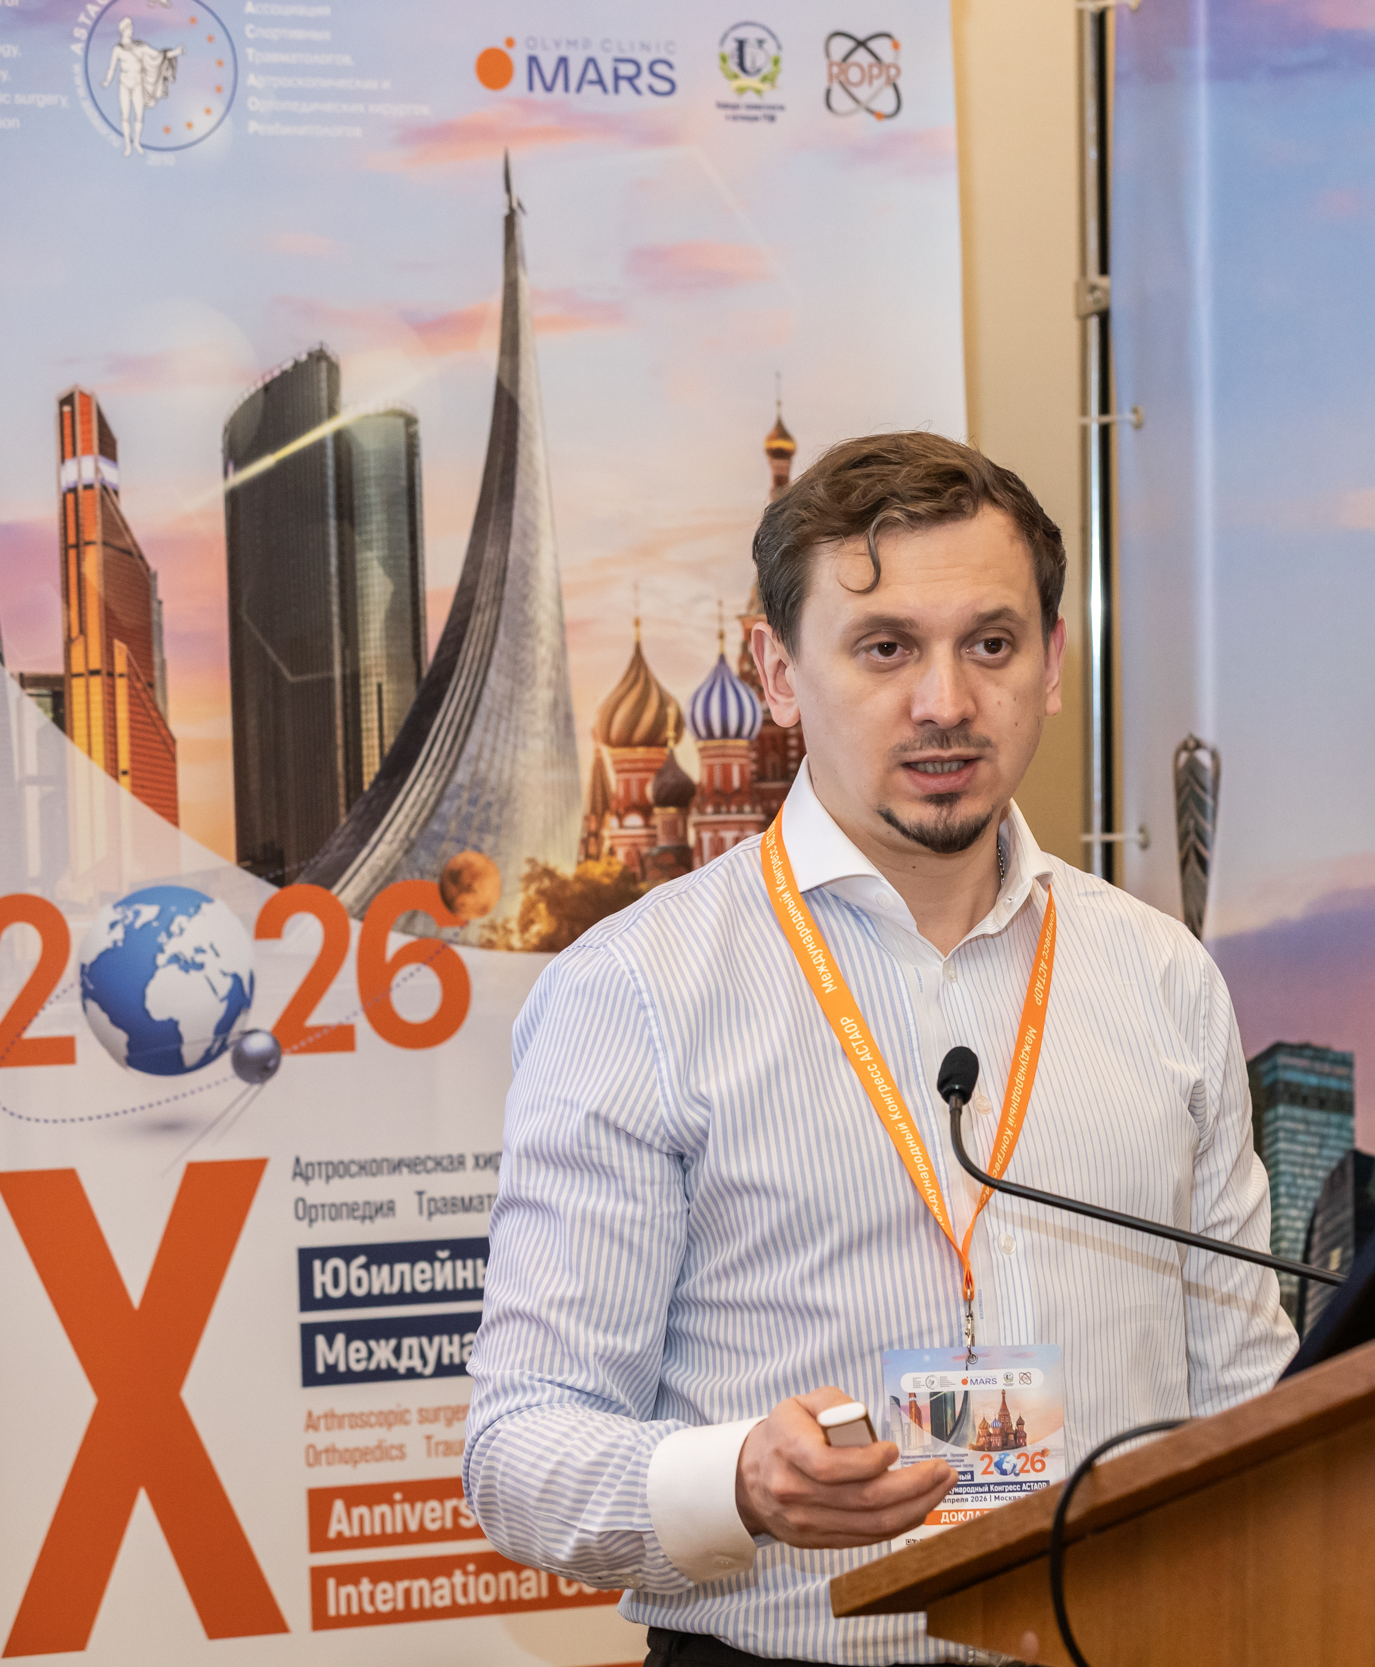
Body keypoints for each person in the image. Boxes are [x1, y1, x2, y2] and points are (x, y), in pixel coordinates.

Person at [465, 432, 1295, 1666]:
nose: (945, 702)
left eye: (991, 644)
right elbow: (521, 1445)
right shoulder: (635, 989)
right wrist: (738, 1480)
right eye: (885, 646)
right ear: (777, 670)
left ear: (1053, 662)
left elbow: (1246, 1394)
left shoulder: (1162, 974)